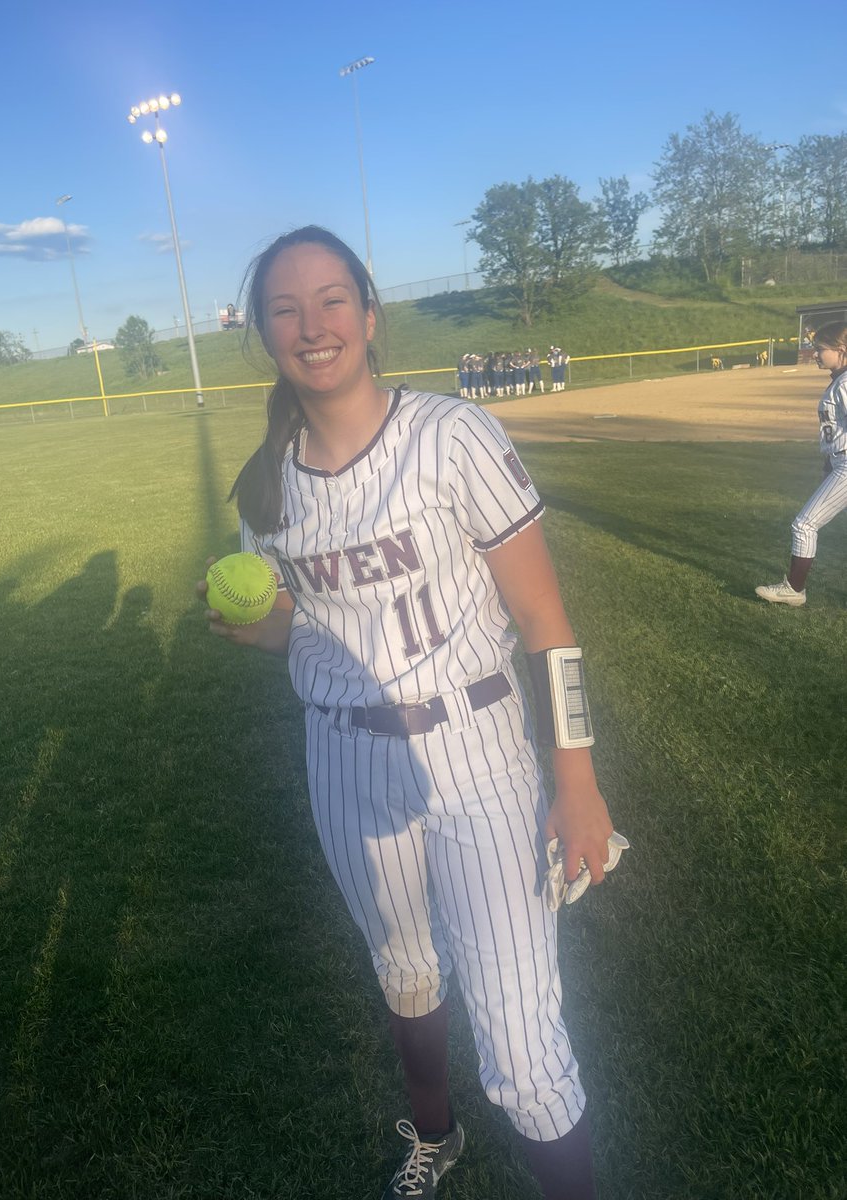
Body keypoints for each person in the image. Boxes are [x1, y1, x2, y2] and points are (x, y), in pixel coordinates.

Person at [200, 226, 620, 1199]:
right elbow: (305, 626)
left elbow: (546, 621)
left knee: (522, 1041)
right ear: (263, 333)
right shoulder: (265, 488)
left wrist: (579, 779)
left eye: (332, 298)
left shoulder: (452, 434)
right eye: (286, 307)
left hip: (477, 753)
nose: (313, 325)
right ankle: (435, 1134)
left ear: (371, 312)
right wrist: (257, 630)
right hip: (345, 759)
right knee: (404, 968)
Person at [756, 321, 847, 607]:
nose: (815, 354)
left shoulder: (844, 383)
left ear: (841, 350)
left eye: (820, 349)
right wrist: (828, 466)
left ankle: (794, 590)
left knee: (804, 524)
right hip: (839, 463)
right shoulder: (839, 381)